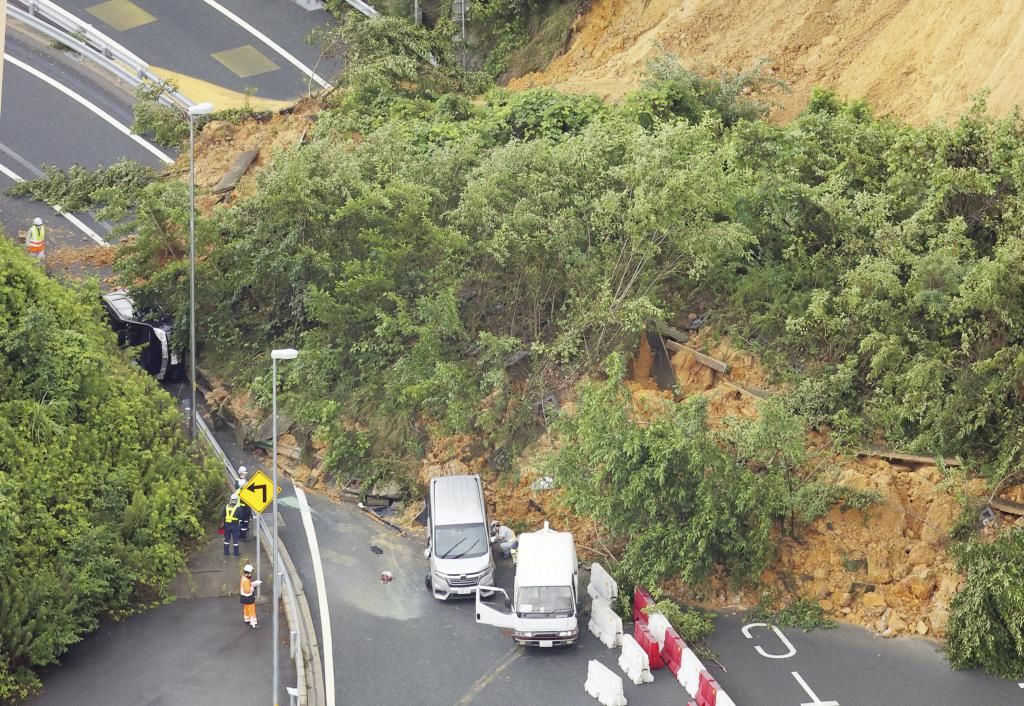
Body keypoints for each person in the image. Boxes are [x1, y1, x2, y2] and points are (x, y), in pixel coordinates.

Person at [240, 564, 262, 629]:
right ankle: (253, 624)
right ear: (249, 572)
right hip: (248, 597)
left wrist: (251, 584)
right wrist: (253, 587)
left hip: (243, 597)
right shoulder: (246, 580)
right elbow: (247, 590)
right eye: (251, 572)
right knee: (252, 610)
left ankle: (247, 619)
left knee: (246, 608)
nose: (251, 574)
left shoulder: (243, 577)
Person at [224, 493, 241, 557]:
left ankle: (226, 554)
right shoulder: (238, 508)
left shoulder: (226, 506)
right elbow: (241, 517)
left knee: (226, 540)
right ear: (236, 500)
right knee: (235, 540)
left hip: (227, 526)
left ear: (230, 500)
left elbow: (222, 515)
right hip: (235, 526)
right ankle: (236, 554)